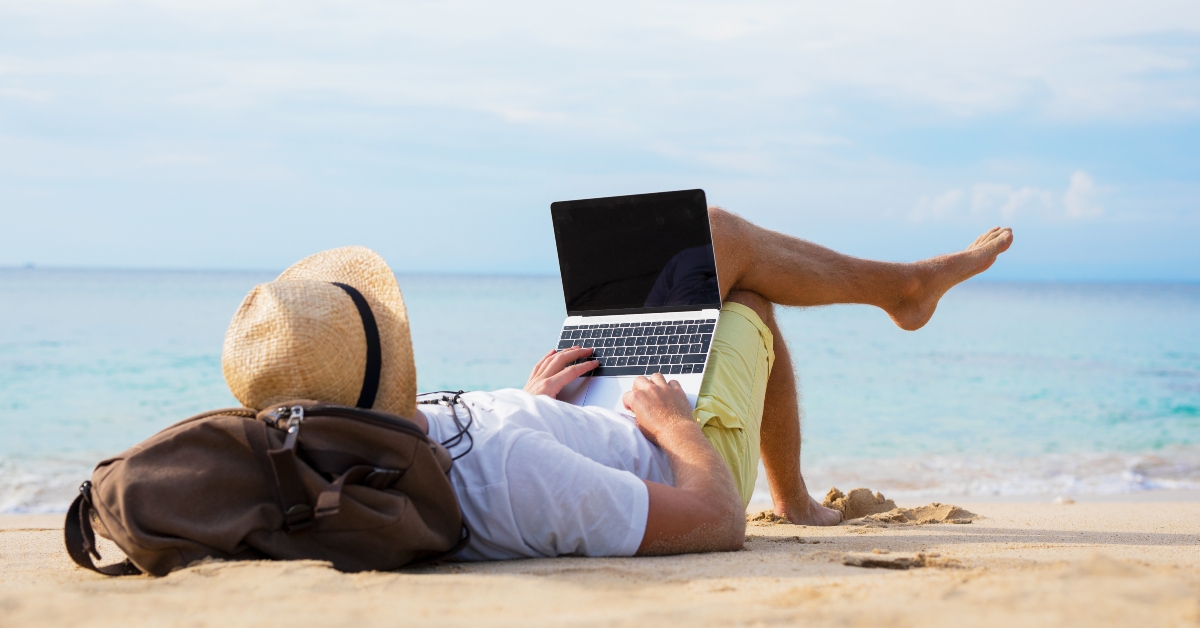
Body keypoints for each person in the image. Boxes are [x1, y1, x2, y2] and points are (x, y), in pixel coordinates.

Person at [221, 208, 1013, 560]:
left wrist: (528, 401)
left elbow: (479, 444)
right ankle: (900, 295)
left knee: (711, 254)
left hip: (581, 410)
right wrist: (674, 429)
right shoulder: (514, 478)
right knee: (740, 284)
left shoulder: (367, 447)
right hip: (675, 451)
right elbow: (710, 524)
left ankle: (901, 292)